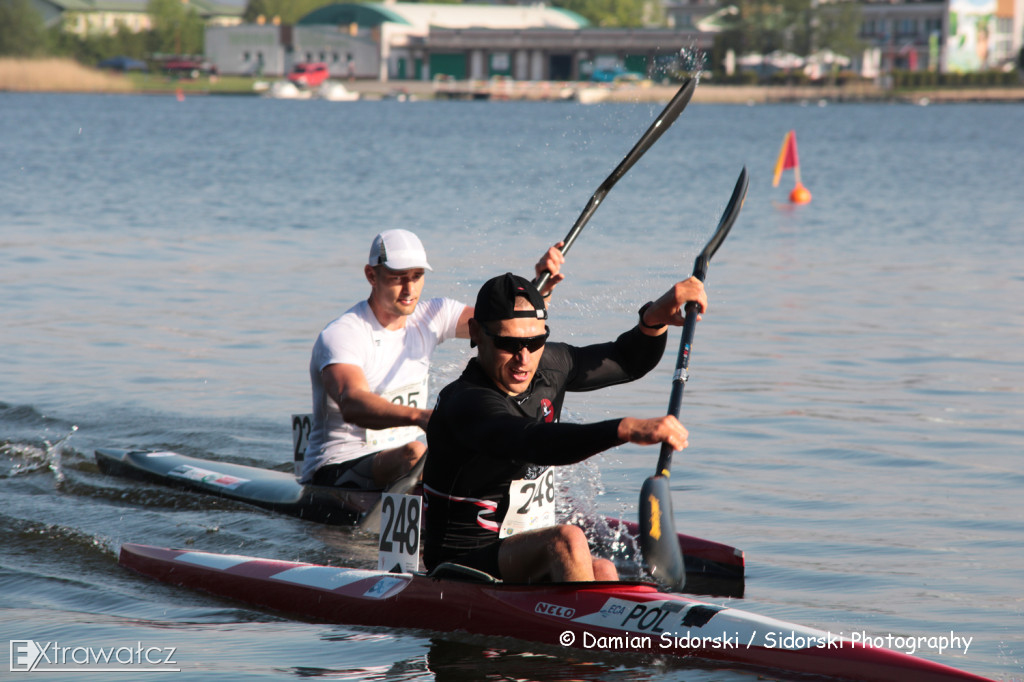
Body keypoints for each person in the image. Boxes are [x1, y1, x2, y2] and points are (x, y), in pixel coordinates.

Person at [423, 272, 708, 583]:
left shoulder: (548, 365)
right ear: (475, 333)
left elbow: (626, 359)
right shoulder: (467, 402)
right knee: (568, 541)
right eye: (508, 343)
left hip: (524, 553)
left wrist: (653, 319)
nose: (524, 358)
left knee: (603, 569)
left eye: (535, 341)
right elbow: (533, 441)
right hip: (460, 564)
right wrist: (624, 429)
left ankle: (598, 630)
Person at [301, 230, 565, 491]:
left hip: (405, 468)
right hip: (337, 468)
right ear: (372, 275)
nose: (409, 289)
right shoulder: (344, 334)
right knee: (415, 452)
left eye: (417, 277)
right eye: (397, 278)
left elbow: (505, 326)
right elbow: (352, 403)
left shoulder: (432, 315)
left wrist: (539, 289)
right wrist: (420, 416)